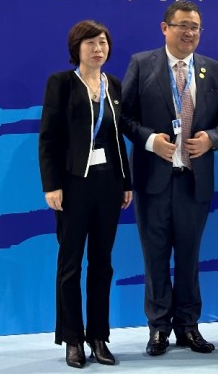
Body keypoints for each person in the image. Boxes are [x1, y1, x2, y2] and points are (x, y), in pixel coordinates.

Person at [121, 0, 218, 357]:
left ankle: (188, 326)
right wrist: (150, 141)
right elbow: (124, 117)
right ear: (165, 28)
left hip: (193, 180)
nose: (189, 33)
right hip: (153, 180)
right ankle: (158, 328)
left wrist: (212, 139)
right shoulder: (143, 64)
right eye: (182, 25)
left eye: (195, 27)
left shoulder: (214, 71)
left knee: (189, 257)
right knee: (155, 256)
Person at [39, 20, 133, 368]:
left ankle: (98, 337)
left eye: (103, 43)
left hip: (109, 185)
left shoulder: (114, 85)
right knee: (70, 264)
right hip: (72, 186)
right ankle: (72, 339)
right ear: (76, 48)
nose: (98, 49)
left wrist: (126, 182)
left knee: (102, 263)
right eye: (91, 43)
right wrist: (51, 185)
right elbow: (48, 138)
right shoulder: (61, 83)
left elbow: (117, 139)